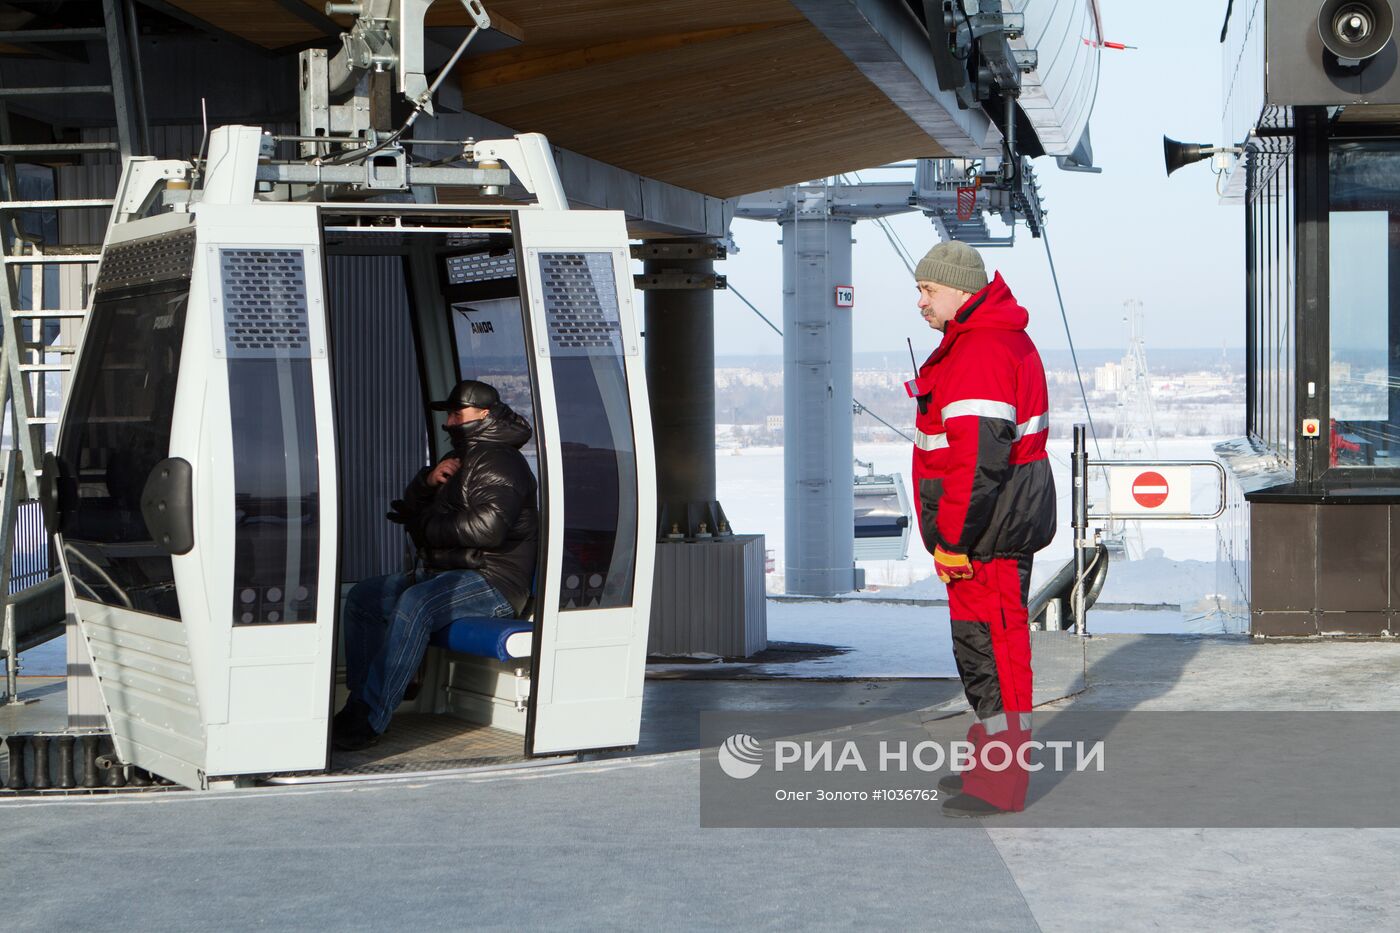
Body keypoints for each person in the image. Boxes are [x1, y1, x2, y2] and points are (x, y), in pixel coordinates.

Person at [903, 241, 1055, 817]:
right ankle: (988, 768)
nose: (920, 301)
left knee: (995, 655)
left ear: (961, 291)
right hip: (988, 530)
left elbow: (975, 462)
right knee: (982, 651)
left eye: (928, 290)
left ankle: (999, 785)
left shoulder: (982, 350)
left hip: (984, 536)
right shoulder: (979, 341)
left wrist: (953, 540)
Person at [333, 379, 539, 751]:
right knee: (364, 598)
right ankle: (360, 700)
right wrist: (427, 482)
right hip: (449, 571)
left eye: (457, 413)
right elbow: (413, 509)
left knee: (417, 603)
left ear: (484, 414)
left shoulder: (500, 461)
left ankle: (370, 718)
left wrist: (426, 527)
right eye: (448, 414)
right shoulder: (464, 458)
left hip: (493, 580)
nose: (449, 422)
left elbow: (488, 530)